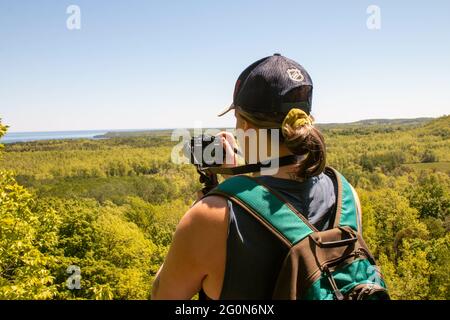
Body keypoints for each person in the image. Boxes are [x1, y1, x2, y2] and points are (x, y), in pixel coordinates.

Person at [151, 54, 362, 300]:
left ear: (246, 128)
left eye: (236, 120)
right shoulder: (345, 193)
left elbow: (162, 295)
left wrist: (212, 200)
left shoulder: (211, 217)